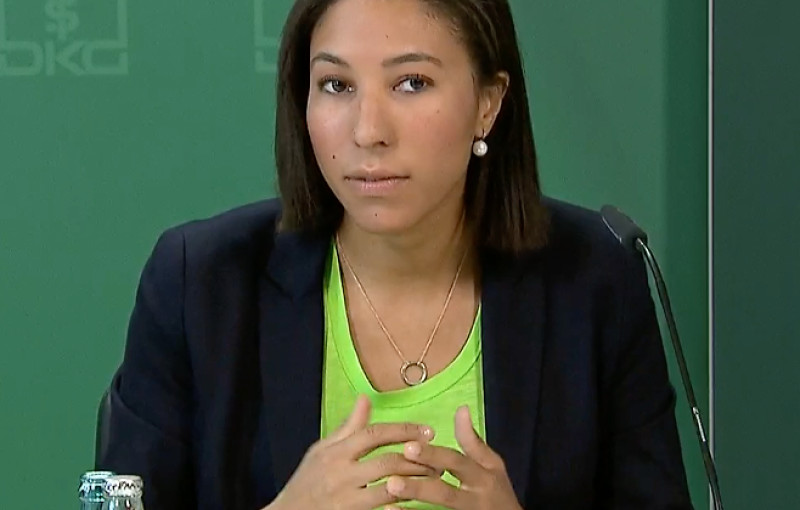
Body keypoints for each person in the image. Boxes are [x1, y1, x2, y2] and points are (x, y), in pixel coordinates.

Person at [98, 0, 693, 508]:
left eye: (411, 83)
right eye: (336, 86)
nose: (368, 131)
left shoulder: (594, 281)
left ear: (488, 102)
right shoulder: (199, 284)